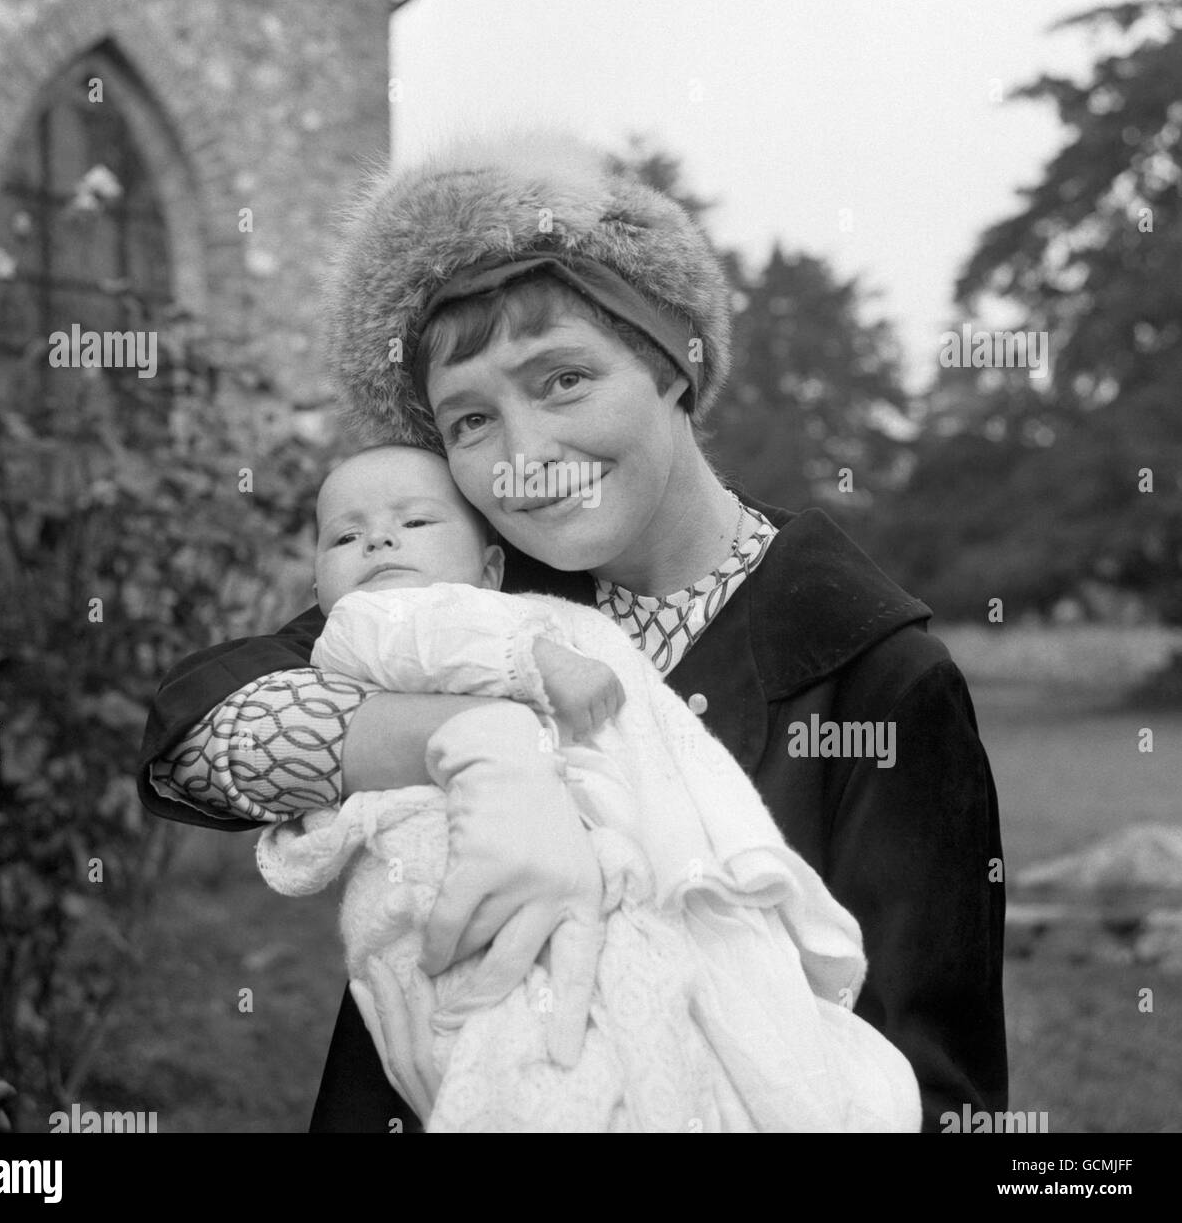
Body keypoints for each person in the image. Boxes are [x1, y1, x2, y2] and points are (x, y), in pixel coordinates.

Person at [138, 130, 1007, 1133]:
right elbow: (189, 734)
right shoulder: (479, 599)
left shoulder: (879, 681)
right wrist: (477, 746)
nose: (521, 456)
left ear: (675, 366)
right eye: (466, 421)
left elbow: (939, 1105)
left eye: (560, 380)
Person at [252, 443, 922, 1131]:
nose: (379, 539)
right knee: (527, 1034)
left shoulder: (547, 615)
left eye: (416, 523)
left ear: (489, 568)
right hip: (440, 880)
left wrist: (739, 858)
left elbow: (672, 749)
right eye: (344, 535)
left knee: (636, 1030)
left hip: (577, 886)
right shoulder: (366, 625)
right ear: (319, 594)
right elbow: (419, 636)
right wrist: (533, 658)